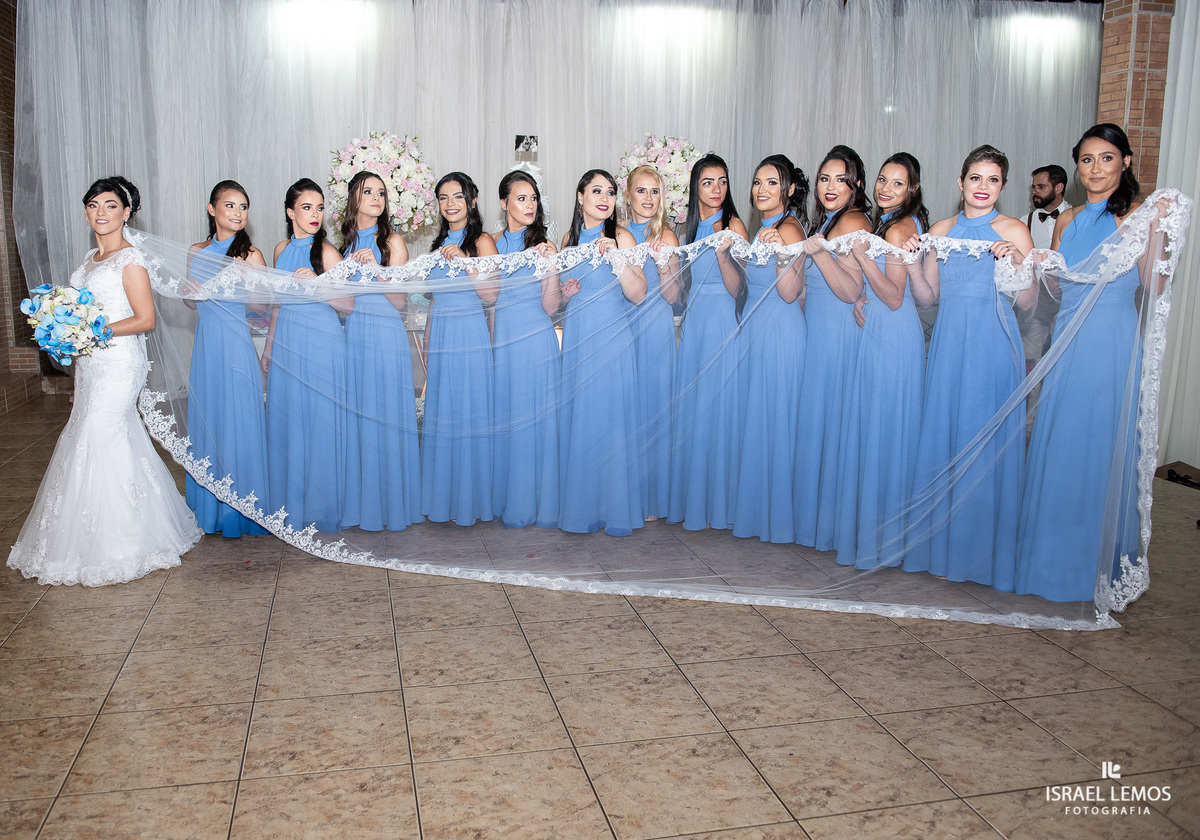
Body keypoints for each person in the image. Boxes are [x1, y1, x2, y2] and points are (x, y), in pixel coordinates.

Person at [8, 176, 202, 585]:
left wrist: (93, 332)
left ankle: (120, 544)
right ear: (85, 211)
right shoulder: (87, 261)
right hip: (91, 364)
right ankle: (110, 532)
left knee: (99, 433)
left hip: (118, 364)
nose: (101, 212)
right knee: (105, 435)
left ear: (126, 212)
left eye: (111, 205)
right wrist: (67, 331)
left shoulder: (130, 260)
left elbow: (145, 319)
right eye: (94, 205)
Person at [1016, 124, 1148, 602]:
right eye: (1087, 160)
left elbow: (1151, 284)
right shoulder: (1067, 220)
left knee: (1097, 442)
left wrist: (1159, 231)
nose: (1095, 169)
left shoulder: (1136, 216)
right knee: (1061, 441)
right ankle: (1051, 561)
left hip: (1109, 339)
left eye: (1107, 158)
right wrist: (1026, 266)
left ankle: (1094, 565)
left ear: (1126, 163)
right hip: (1066, 337)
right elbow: (1055, 291)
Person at [903, 146, 1035, 588]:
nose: (983, 187)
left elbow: (1030, 304)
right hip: (948, 346)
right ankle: (938, 548)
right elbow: (927, 297)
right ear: (961, 182)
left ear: (1002, 186)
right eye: (975, 178)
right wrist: (912, 260)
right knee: (945, 435)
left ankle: (981, 555)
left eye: (993, 179)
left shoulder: (1014, 229)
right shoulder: (941, 229)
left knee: (984, 441)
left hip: (993, 346)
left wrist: (1014, 264)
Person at [835, 153, 928, 567]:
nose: (886, 189)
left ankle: (886, 542)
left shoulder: (903, 226)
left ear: (913, 190)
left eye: (897, 183)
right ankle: (872, 536)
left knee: (885, 431)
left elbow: (894, 297)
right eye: (882, 181)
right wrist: (861, 297)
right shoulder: (890, 222)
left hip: (895, 335)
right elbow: (881, 294)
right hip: (878, 329)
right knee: (874, 429)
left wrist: (863, 258)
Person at [793, 145, 873, 550]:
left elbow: (850, 289)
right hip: (820, 332)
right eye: (824, 178)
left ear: (855, 184)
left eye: (840, 179)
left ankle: (831, 528)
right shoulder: (827, 222)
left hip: (839, 335)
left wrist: (820, 254)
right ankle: (818, 525)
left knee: (834, 424)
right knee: (822, 425)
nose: (829, 186)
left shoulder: (855, 222)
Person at [558, 169, 646, 535]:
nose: (604, 198)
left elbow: (638, 292)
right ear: (580, 197)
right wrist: (566, 294)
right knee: (582, 421)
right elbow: (560, 298)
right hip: (578, 336)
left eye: (610, 192)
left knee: (609, 423)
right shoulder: (568, 238)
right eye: (596, 191)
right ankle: (581, 509)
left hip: (611, 338)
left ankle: (615, 511)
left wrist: (618, 258)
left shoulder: (621, 236)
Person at [263, 178, 353, 534]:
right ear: (290, 211)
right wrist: (269, 347)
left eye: (319, 208)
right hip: (287, 342)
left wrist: (316, 284)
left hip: (321, 344)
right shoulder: (281, 249)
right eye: (306, 207)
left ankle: (322, 507)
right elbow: (277, 305)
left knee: (319, 422)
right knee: (290, 419)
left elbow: (348, 304)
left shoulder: (327, 252)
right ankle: (291, 504)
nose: (315, 215)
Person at [183, 180, 269, 538]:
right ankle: (210, 509)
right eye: (230, 205)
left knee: (239, 421)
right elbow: (191, 302)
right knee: (210, 421)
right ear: (212, 208)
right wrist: (191, 295)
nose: (237, 212)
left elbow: (263, 307)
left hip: (235, 344)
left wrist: (249, 281)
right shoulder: (196, 251)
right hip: (206, 345)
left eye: (243, 206)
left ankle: (243, 511)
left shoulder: (251, 254)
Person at [668, 153, 747, 531]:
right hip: (696, 322)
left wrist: (722, 256)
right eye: (708, 182)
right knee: (696, 410)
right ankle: (694, 501)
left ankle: (721, 505)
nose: (716, 190)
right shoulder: (688, 228)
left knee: (721, 410)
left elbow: (740, 289)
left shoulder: (733, 225)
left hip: (723, 323)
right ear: (695, 187)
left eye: (722, 181)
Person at [731, 154, 808, 543]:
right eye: (758, 182)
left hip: (780, 329)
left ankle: (778, 519)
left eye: (772, 183)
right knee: (759, 419)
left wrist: (781, 252)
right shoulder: (764, 226)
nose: (762, 189)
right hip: (757, 328)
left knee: (777, 419)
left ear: (789, 190)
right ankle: (760, 511)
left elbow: (791, 291)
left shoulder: (789, 228)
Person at [340, 170, 420, 531]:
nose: (376, 198)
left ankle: (391, 506)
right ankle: (359, 503)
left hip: (386, 334)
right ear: (353, 197)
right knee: (357, 415)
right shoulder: (337, 243)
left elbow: (400, 299)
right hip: (351, 334)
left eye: (382, 193)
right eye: (368, 191)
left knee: (385, 414)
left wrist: (376, 270)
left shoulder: (393, 242)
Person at [421, 172, 499, 525]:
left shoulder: (481, 241)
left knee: (469, 412)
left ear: (471, 200)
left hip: (469, 335)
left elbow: (491, 294)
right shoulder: (437, 247)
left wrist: (464, 264)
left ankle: (473, 502)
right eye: (443, 198)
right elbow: (435, 300)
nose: (450, 204)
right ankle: (444, 501)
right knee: (443, 414)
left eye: (457, 197)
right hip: (441, 337)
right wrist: (426, 337)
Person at [491, 169, 560, 529]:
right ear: (503, 203)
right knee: (504, 418)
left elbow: (552, 307)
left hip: (535, 339)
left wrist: (550, 268)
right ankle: (504, 499)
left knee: (534, 421)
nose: (529, 204)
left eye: (533, 198)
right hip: (502, 340)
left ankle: (534, 502)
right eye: (521, 198)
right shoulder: (488, 243)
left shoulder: (545, 246)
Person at [623, 165, 680, 522]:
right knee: (623, 409)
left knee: (654, 410)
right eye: (641, 191)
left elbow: (673, 296)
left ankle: (651, 499)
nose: (648, 198)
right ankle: (621, 492)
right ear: (627, 195)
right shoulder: (615, 234)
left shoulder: (668, 237)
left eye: (654, 191)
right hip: (619, 326)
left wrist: (662, 268)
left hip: (655, 328)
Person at [1018, 164, 1069, 383]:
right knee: (1029, 363)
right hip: (1035, 307)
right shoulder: (1023, 222)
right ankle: (1029, 417)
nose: (1035, 192)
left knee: (1065, 362)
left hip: (1069, 304)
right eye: (1033, 187)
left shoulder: (1078, 218)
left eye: (1041, 186)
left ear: (1059, 187)